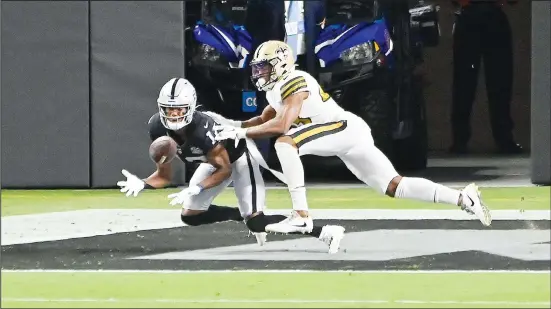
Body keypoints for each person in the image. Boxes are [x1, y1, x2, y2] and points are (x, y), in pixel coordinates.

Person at [211, 40, 492, 233]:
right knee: (394, 186)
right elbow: (263, 119)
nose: (259, 72)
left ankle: (301, 215)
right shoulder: (276, 88)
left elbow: (282, 125)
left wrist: (241, 132)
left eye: (264, 66)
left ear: (281, 64)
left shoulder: (294, 80)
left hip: (341, 127)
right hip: (347, 134)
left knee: (287, 142)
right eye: (257, 67)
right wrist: (229, 124)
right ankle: (463, 199)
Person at [116, 77, 345, 253]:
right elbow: (164, 176)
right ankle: (243, 216)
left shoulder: (202, 128)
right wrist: (143, 183)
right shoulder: (157, 128)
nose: (174, 115)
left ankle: (325, 232)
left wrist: (197, 187)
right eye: (169, 109)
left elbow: (225, 169)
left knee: (256, 222)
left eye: (179, 109)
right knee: (190, 216)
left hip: (238, 158)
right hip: (214, 163)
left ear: (191, 106)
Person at [450, 0, 522, 154]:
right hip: (485, 17)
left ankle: (461, 140)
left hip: (474, 17)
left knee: (468, 82)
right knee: (496, 82)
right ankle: (502, 139)